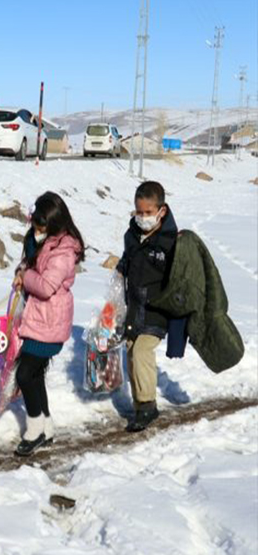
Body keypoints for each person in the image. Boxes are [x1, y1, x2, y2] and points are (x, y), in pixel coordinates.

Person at [12, 192, 84, 456]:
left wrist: (25, 275)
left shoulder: (63, 252)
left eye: (41, 227)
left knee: (25, 374)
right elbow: (30, 265)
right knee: (34, 374)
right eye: (35, 225)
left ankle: (34, 430)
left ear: (54, 225)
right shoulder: (41, 241)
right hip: (37, 319)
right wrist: (22, 272)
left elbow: (45, 286)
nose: (36, 231)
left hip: (50, 322)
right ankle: (47, 426)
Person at [116, 181, 178, 432]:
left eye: (148, 213)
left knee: (142, 351)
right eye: (138, 212)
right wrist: (119, 273)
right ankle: (139, 403)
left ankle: (148, 405)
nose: (142, 218)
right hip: (134, 305)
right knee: (130, 353)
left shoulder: (171, 241)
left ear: (161, 211)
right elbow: (127, 260)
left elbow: (180, 276)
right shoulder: (132, 235)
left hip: (157, 308)